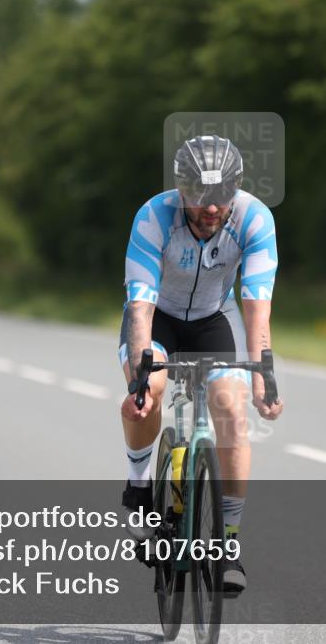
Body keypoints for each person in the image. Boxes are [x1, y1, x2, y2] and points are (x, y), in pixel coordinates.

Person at [118, 135, 283, 594]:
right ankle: (137, 485)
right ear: (181, 190)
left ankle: (228, 544)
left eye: (222, 198)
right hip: (159, 319)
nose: (212, 210)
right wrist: (140, 373)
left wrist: (263, 376)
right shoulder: (154, 218)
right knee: (146, 396)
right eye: (200, 199)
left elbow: (256, 308)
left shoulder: (254, 219)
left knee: (230, 409)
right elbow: (140, 307)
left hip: (216, 317)